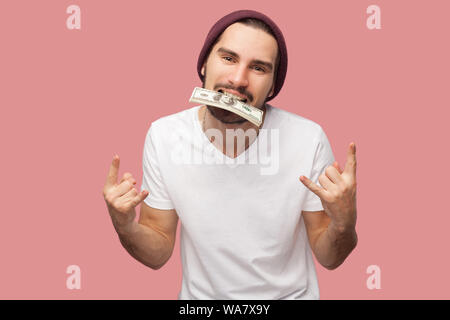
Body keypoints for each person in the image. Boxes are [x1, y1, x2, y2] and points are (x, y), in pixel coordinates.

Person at [102, 10, 358, 300]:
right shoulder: (164, 136)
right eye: (228, 58)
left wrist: (343, 223)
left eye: (258, 68)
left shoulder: (307, 139)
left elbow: (329, 257)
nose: (238, 79)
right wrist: (124, 227)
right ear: (203, 65)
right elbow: (157, 250)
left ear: (273, 86)